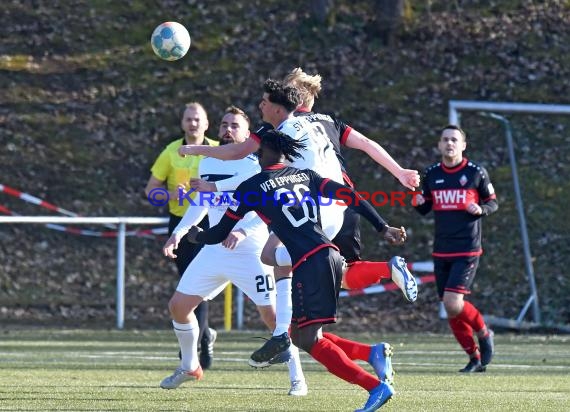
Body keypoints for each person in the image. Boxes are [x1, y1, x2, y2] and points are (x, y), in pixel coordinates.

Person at [178, 79, 416, 368]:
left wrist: (198, 155)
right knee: (338, 273)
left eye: (266, 101)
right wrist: (400, 172)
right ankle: (385, 273)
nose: (261, 106)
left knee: (281, 261)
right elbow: (366, 144)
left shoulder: (276, 131)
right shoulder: (328, 121)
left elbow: (245, 162)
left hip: (311, 208)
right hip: (342, 204)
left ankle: (281, 335)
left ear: (287, 101)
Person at [186, 129, 404, 411]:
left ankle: (375, 387)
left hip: (310, 262)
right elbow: (349, 195)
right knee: (304, 333)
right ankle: (370, 356)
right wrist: (382, 227)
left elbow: (218, 234)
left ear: (261, 152)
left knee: (308, 339)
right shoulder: (307, 175)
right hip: (328, 255)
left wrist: (195, 236)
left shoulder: (251, 187)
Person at [159, 106, 308, 396]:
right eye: (224, 124)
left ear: (247, 133)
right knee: (178, 306)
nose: (228, 129)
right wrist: (177, 233)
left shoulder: (255, 164)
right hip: (215, 249)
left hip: (251, 251)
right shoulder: (207, 160)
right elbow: (201, 204)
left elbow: (262, 207)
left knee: (273, 318)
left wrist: (240, 231)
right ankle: (190, 365)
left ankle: (297, 379)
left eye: (235, 125)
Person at [414, 124, 497, 373]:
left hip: (467, 248)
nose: (449, 143)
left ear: (463, 145)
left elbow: (492, 203)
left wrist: (481, 209)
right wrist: (418, 202)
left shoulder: (475, 173)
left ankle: (484, 331)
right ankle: (473, 358)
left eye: (454, 140)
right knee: (451, 310)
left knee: (452, 302)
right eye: (445, 139)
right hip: (442, 248)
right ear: (439, 145)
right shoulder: (431, 174)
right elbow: (425, 207)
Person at [144, 102, 217, 369]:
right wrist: (170, 195)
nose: (193, 123)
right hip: (180, 225)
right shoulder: (171, 152)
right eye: (188, 119)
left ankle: (198, 342)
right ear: (182, 123)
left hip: (211, 222)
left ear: (207, 123)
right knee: (190, 283)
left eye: (198, 119)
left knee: (199, 285)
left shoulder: (219, 151)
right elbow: (151, 190)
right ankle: (203, 336)